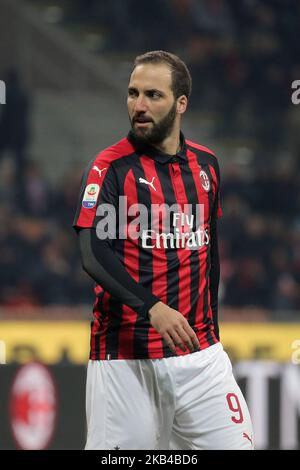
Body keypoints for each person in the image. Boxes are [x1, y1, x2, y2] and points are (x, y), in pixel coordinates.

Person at [73, 50, 254, 450]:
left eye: (153, 95)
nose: (139, 105)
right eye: (133, 93)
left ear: (181, 103)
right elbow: (93, 252)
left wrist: (214, 330)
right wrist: (153, 308)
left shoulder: (207, 165)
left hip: (201, 356)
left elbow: (210, 248)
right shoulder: (109, 169)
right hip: (126, 359)